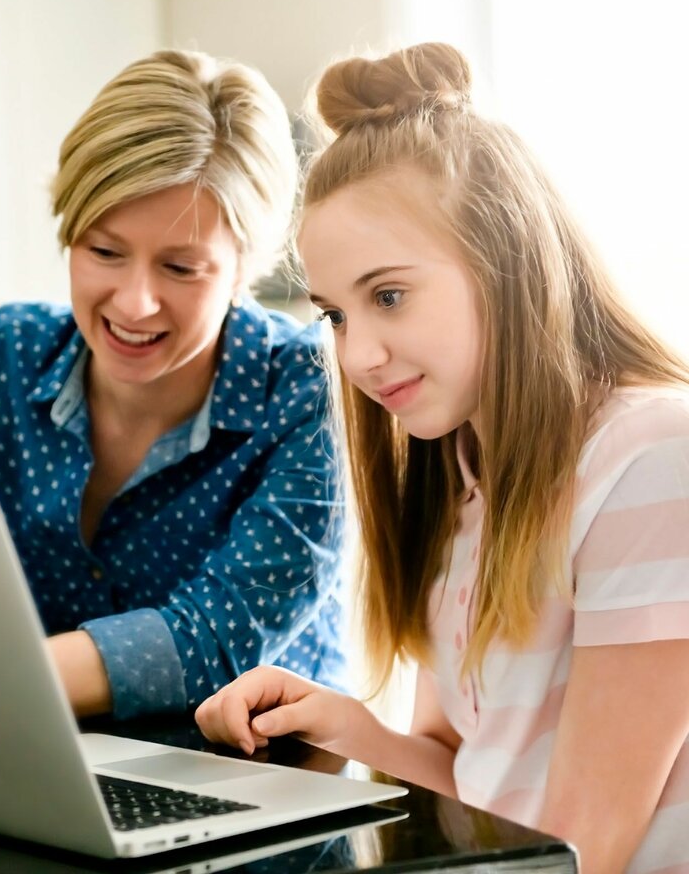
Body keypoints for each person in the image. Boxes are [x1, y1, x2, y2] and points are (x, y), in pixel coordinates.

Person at [194, 42, 689, 874]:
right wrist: (350, 727)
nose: (357, 358)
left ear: (507, 260)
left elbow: (582, 845)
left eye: (388, 296)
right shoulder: (458, 476)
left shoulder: (651, 458)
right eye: (337, 316)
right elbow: (477, 786)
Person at [0, 49, 347, 722]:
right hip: (41, 763)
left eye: (180, 267)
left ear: (242, 268)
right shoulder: (5, 355)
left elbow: (215, 636)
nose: (135, 302)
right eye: (105, 253)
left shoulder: (310, 390)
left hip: (268, 785)